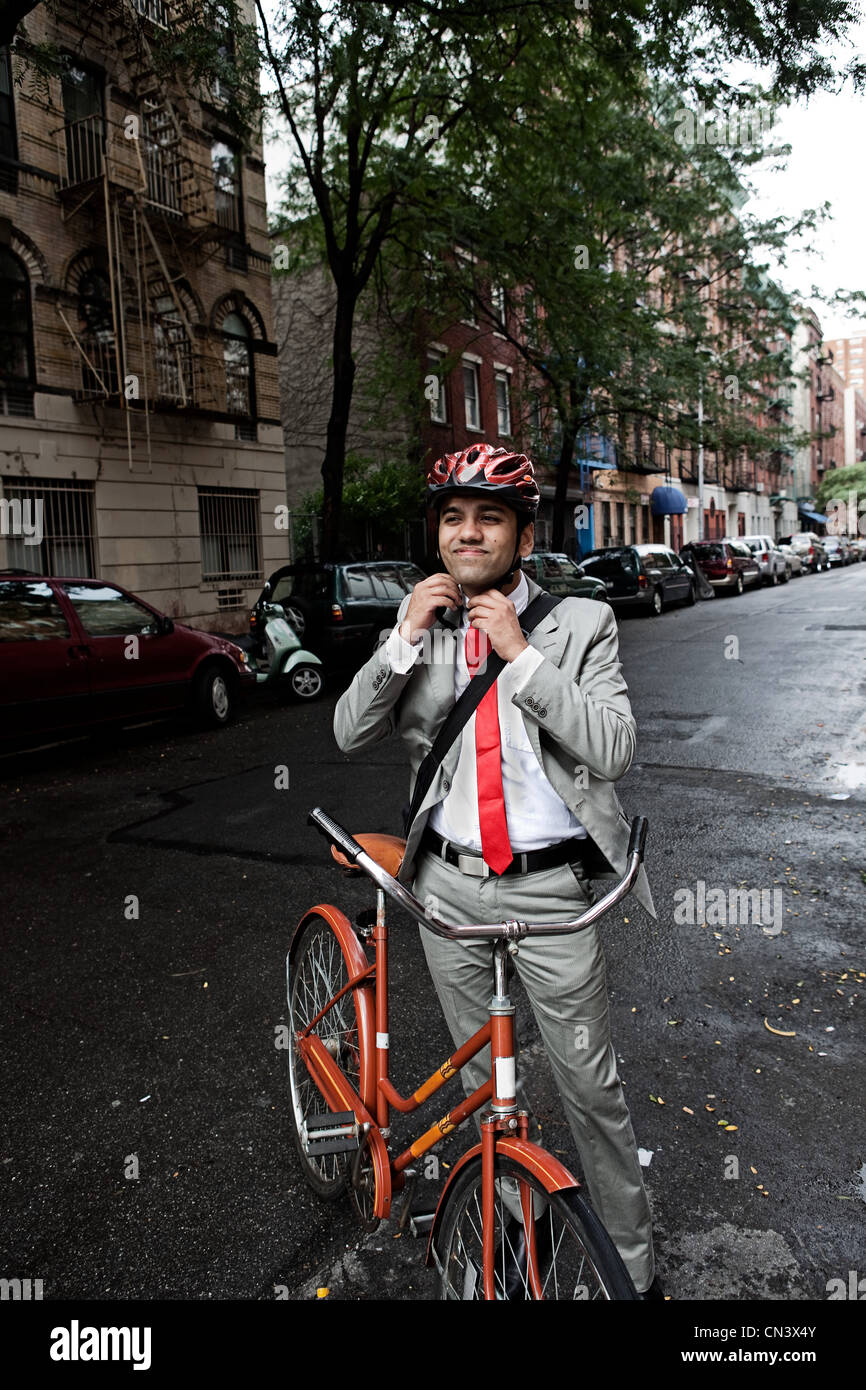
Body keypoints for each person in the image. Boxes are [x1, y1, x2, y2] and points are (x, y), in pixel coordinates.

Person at [333, 441, 663, 1299]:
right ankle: (514, 1221)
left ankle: (631, 1265)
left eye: (490, 518)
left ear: (522, 534)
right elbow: (347, 732)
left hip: (553, 891)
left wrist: (522, 655)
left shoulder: (579, 623)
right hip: (446, 883)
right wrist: (404, 639)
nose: (469, 533)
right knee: (484, 1080)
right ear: (437, 534)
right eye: (453, 518)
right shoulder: (420, 627)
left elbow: (613, 749)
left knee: (589, 1083)